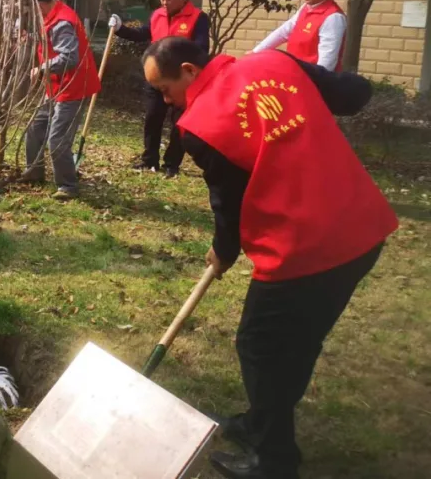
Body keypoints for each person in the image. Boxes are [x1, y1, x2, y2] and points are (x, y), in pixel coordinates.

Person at [142, 37, 397, 479]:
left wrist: (223, 251)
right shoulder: (275, 62)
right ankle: (262, 421)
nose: (165, 101)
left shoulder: (200, 126)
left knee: (261, 345)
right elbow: (352, 95)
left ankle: (274, 461)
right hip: (362, 228)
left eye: (165, 90)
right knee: (297, 340)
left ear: (188, 69)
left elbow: (230, 204)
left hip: (306, 247)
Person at [109, 0, 209, 177]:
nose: (164, 2)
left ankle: (172, 164)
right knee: (153, 117)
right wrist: (120, 28)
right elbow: (141, 35)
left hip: (180, 81)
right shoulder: (157, 15)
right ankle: (149, 160)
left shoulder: (198, 17)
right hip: (156, 78)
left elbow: (201, 48)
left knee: (179, 123)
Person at [25, 0, 100, 200]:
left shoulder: (62, 22)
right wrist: (30, 38)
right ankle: (34, 173)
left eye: (32, 8)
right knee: (35, 128)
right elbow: (50, 40)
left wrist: (41, 68)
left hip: (73, 87)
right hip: (57, 86)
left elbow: (69, 57)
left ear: (40, 4)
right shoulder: (53, 14)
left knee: (57, 138)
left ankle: (68, 186)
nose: (32, 13)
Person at [253, 0, 346, 71]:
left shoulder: (333, 18)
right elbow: (284, 31)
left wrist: (318, 80)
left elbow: (327, 62)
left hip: (313, 79)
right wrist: (256, 52)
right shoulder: (306, 8)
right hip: (296, 74)